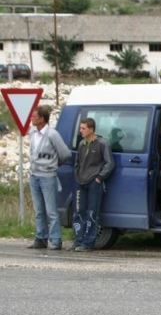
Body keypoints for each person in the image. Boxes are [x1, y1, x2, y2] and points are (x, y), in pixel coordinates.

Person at [27, 105, 71, 250]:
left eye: (34, 116)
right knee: (39, 210)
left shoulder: (52, 134)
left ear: (42, 119)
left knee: (51, 210)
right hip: (34, 176)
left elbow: (65, 154)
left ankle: (56, 240)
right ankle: (41, 238)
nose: (32, 119)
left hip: (47, 176)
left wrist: (54, 165)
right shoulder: (33, 133)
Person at [72, 117, 115, 252]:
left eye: (83, 128)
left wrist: (99, 178)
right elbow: (77, 163)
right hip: (81, 182)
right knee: (79, 212)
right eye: (80, 128)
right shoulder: (81, 144)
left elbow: (110, 163)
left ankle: (88, 243)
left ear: (91, 129)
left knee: (92, 213)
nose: (81, 131)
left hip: (94, 183)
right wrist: (77, 175)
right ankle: (78, 240)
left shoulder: (102, 143)